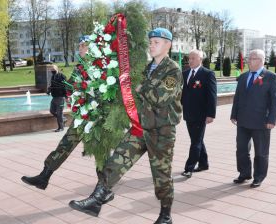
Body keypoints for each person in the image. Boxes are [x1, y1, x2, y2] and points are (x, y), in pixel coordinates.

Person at [69, 27, 182, 224]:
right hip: (141, 126)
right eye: (151, 41)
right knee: (116, 161)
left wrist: (140, 87)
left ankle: (165, 215)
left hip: (162, 131)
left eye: (156, 42)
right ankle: (96, 199)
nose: (151, 45)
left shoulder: (173, 70)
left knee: (161, 175)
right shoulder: (148, 67)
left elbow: (159, 98)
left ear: (168, 45)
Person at [21, 36, 114, 205]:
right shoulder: (79, 67)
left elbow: (108, 91)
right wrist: (69, 94)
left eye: (83, 46)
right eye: (79, 46)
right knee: (65, 144)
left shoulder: (103, 65)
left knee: (101, 154)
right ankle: (45, 176)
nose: (80, 49)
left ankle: (104, 189)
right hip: (82, 117)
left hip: (99, 119)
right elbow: (71, 86)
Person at [230, 49, 276, 188]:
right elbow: (238, 97)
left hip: (261, 122)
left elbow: (275, 101)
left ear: (261, 60)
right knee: (241, 149)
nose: (248, 61)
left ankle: (259, 177)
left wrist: (272, 120)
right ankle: (244, 173)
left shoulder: (271, 77)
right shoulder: (243, 76)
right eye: (249, 58)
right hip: (243, 121)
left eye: (252, 58)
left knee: (261, 152)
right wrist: (234, 114)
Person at [181, 49, 217, 178]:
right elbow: (183, 94)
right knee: (197, 139)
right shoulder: (184, 74)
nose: (190, 61)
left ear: (200, 60)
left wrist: (211, 114)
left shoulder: (208, 74)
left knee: (195, 142)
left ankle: (189, 168)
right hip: (188, 113)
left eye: (193, 58)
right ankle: (203, 163)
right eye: (189, 58)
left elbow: (212, 96)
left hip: (201, 115)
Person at [47, 65, 67, 132]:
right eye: (51, 69)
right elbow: (52, 86)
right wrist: (49, 90)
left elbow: (65, 87)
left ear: (57, 69)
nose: (52, 71)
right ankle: (63, 119)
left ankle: (61, 128)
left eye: (53, 69)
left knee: (59, 113)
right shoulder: (53, 76)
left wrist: (66, 96)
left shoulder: (62, 76)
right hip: (54, 97)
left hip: (60, 97)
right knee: (52, 111)